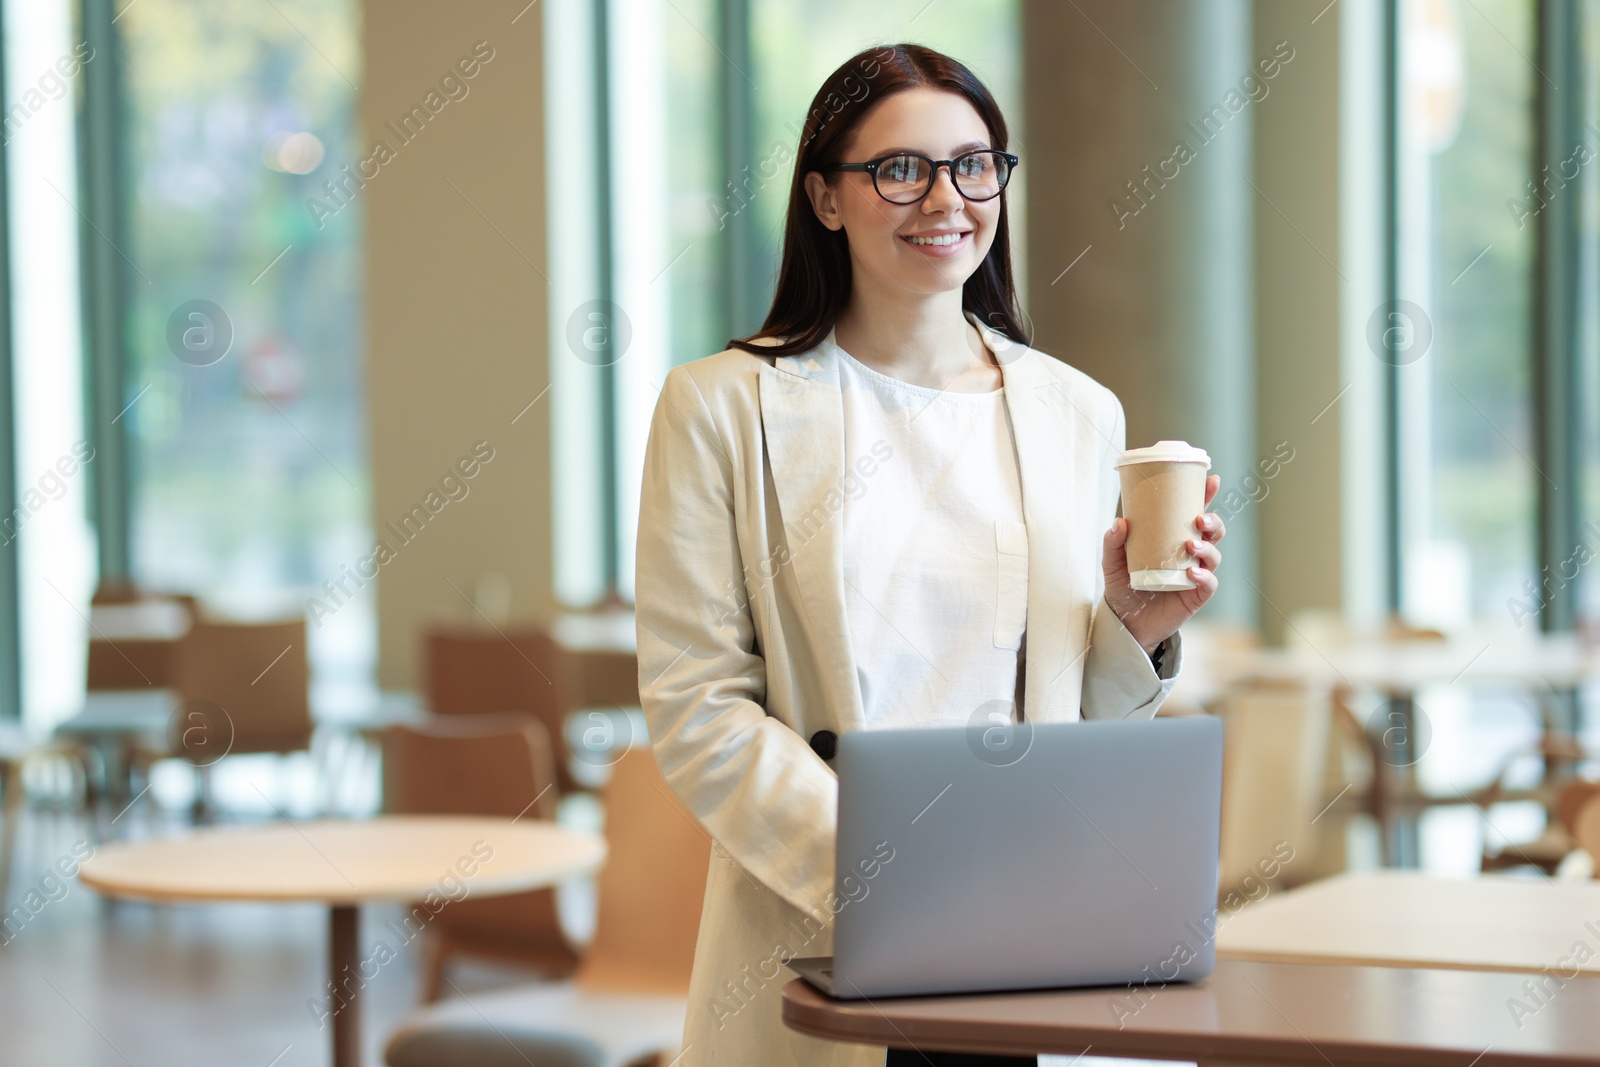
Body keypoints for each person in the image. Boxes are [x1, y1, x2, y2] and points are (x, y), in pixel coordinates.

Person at [635, 42, 1225, 1067]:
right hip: (820, 924)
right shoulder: (719, 407)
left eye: (974, 163)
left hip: (1021, 931)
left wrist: (1131, 630)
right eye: (899, 168)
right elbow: (697, 705)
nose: (945, 197)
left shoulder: (1076, 413)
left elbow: (1065, 724)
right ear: (825, 196)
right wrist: (883, 873)